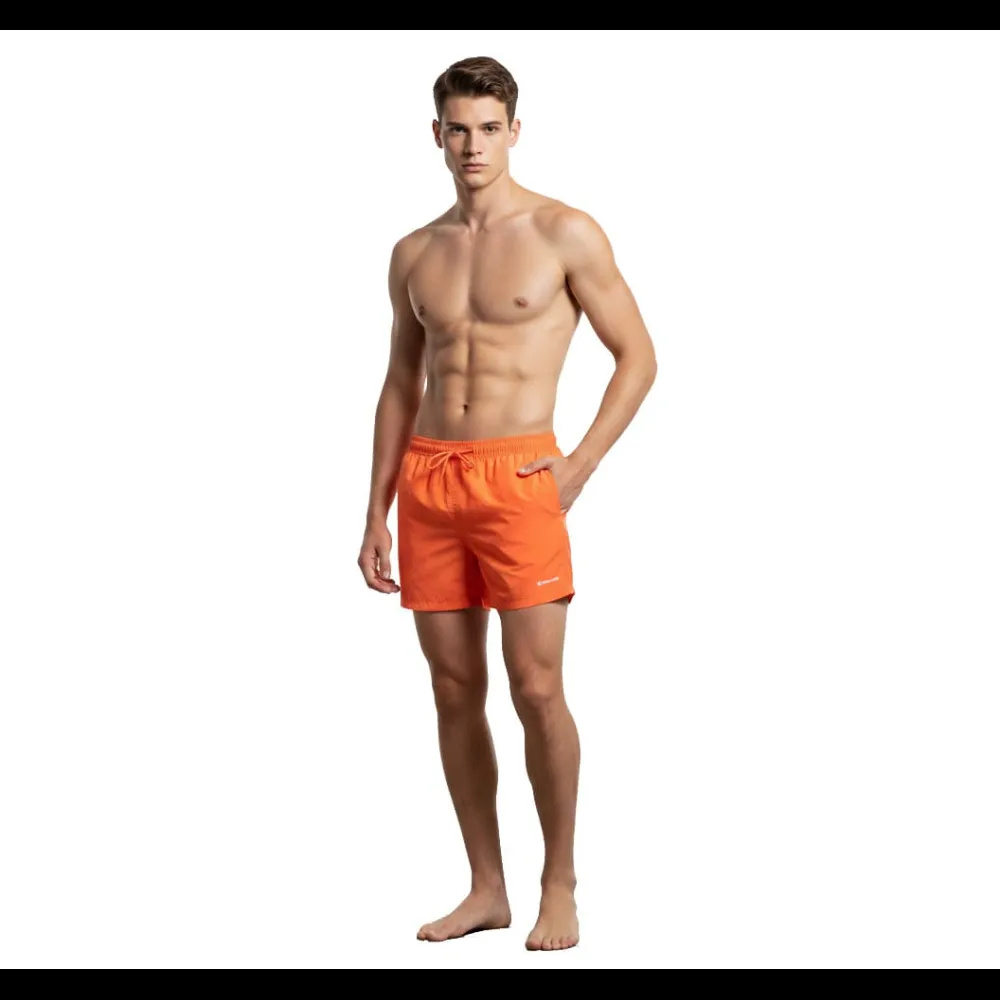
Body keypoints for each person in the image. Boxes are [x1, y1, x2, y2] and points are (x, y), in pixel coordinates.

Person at [358, 55, 657, 952]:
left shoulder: (566, 232)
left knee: (536, 687)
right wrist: (374, 511)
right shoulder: (415, 252)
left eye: (489, 129)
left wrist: (580, 466)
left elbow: (639, 356)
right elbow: (400, 383)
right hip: (430, 480)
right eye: (458, 129)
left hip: (520, 477)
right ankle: (486, 888)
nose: (473, 146)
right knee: (454, 689)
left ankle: (558, 883)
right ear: (436, 134)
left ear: (515, 131)